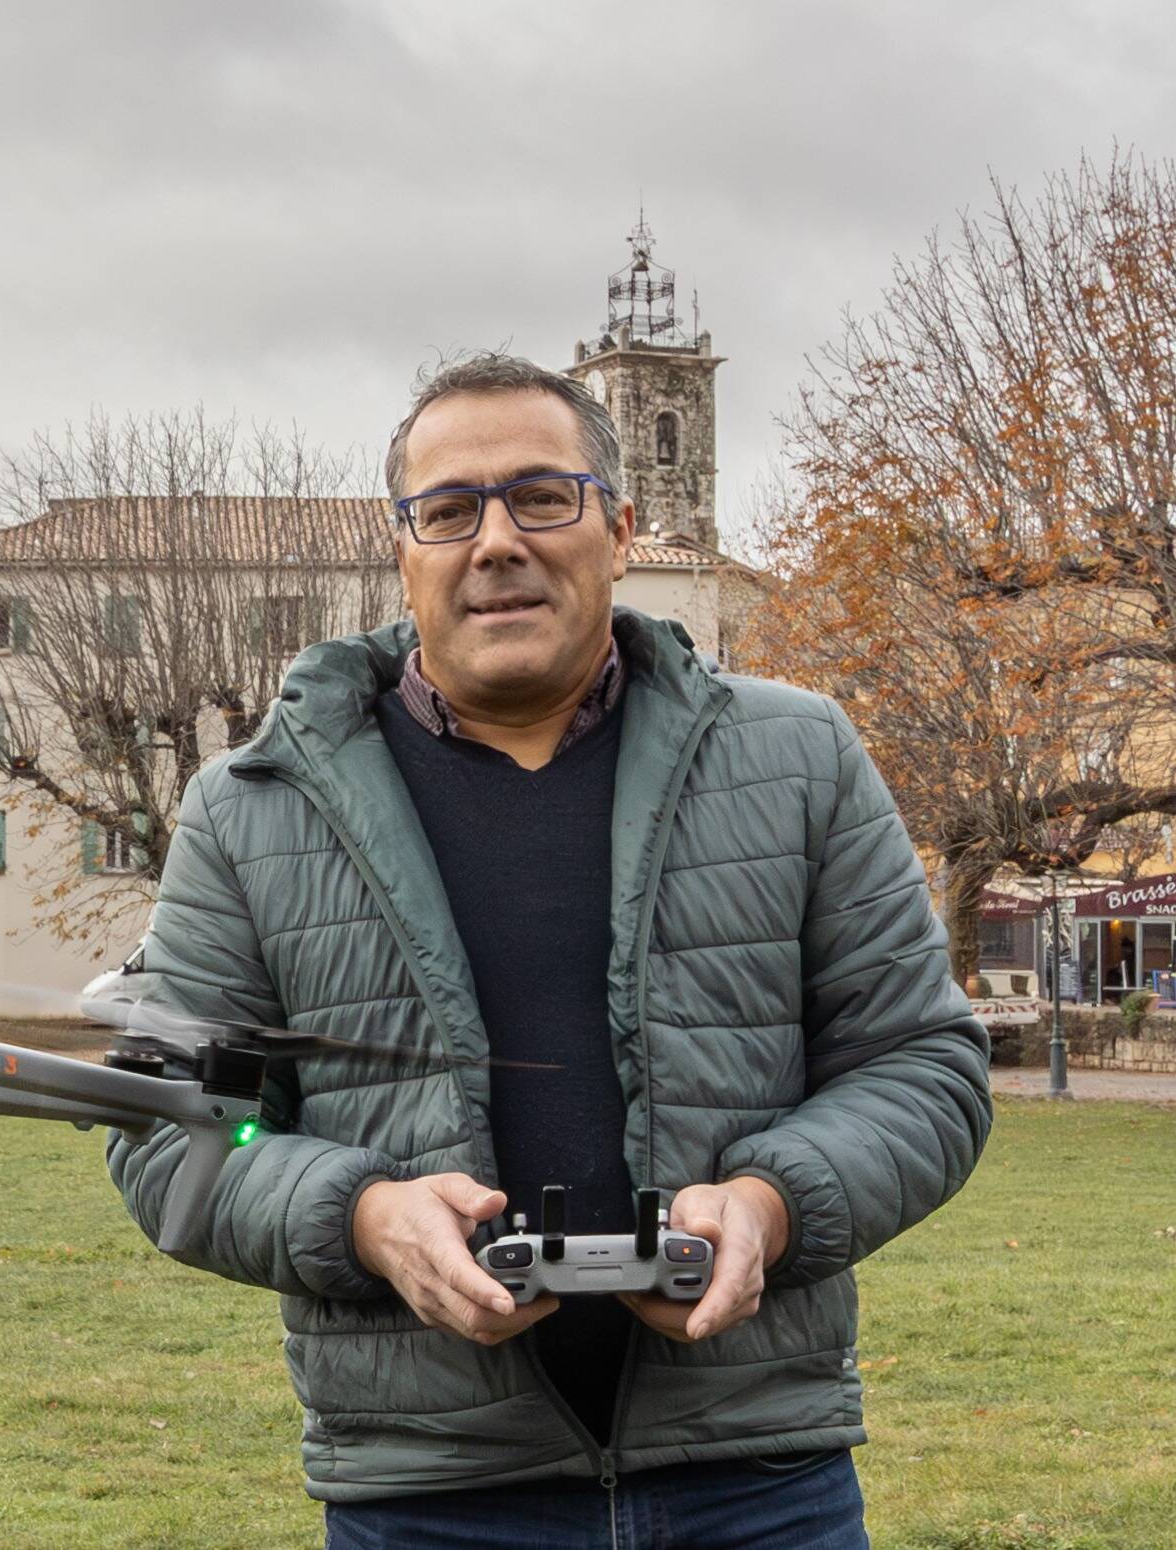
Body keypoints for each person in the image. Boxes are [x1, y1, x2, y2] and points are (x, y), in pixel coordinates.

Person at [107, 353, 992, 1548]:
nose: (495, 541)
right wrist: (359, 1213)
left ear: (618, 528)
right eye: (448, 509)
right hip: (429, 1494)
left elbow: (921, 1066)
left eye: (540, 496)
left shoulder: (801, 759)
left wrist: (771, 1203)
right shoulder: (245, 806)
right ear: (404, 552)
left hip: (755, 1475)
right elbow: (171, 1124)